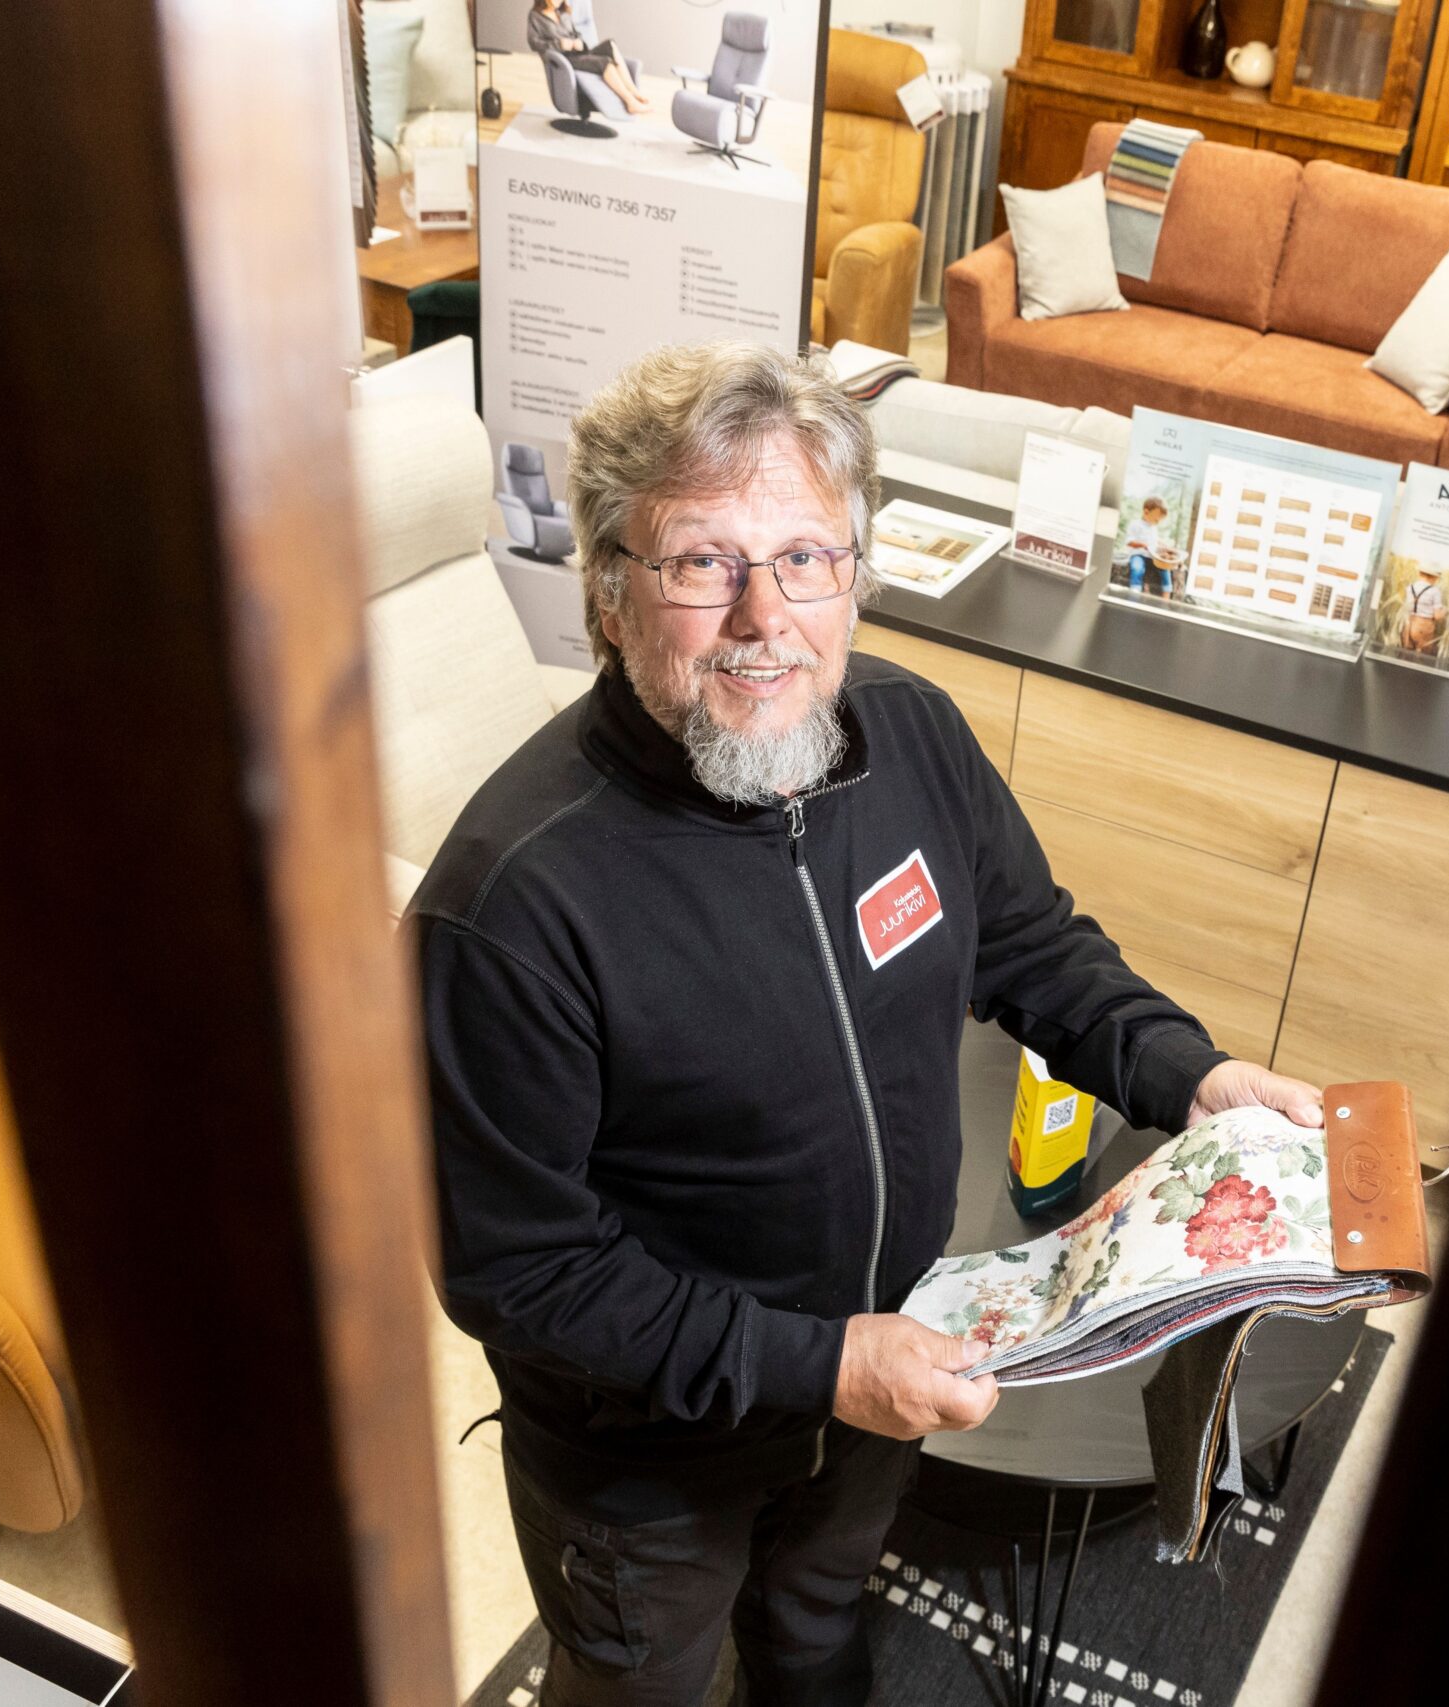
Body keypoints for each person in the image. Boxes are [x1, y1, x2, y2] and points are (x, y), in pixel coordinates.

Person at [413, 342, 1324, 1707]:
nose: (764, 616)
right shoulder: (510, 906)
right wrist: (820, 1363)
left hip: (888, 1355)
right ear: (608, 592)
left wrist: (1188, 1074)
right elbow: (518, 1269)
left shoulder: (910, 733)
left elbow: (1030, 944)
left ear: (854, 571)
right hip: (647, 1463)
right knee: (638, 1678)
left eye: (804, 556)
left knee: (817, 1618)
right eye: (702, 561)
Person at [527, 0, 652, 115]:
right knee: (605, 62)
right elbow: (534, 43)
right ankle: (630, 101)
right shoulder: (536, 16)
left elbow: (576, 34)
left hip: (579, 53)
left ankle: (634, 92)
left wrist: (579, 42)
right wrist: (559, 44)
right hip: (565, 59)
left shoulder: (564, 13)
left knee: (610, 45)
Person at [1118, 494, 1174, 597]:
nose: (1158, 522)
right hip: (1139, 555)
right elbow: (1129, 541)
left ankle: (1166, 594)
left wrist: (1163, 545)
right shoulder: (1136, 524)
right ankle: (1134, 593)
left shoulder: (1153, 527)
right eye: (1156, 519)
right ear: (1146, 512)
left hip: (1152, 557)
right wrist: (1144, 545)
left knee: (1165, 568)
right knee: (1137, 568)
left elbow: (1154, 540)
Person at [1400, 564, 1447, 652]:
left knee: (1406, 654)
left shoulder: (1410, 587)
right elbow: (1437, 616)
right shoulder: (1434, 591)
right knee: (1422, 655)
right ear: (1435, 577)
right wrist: (1444, 610)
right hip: (1424, 626)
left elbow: (1407, 606)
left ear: (1420, 573)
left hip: (1409, 624)